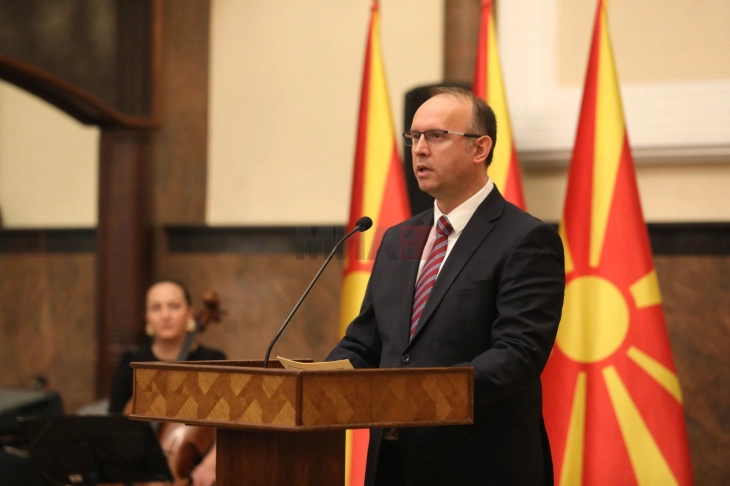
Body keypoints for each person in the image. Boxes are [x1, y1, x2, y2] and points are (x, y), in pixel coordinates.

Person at [326, 87, 565, 485]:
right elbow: (366, 343)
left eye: (436, 136)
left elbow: (518, 354)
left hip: (478, 465)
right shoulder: (399, 238)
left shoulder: (524, 239)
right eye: (414, 136)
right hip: (393, 465)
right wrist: (314, 384)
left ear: (480, 148)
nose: (420, 149)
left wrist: (416, 396)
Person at [108, 279, 226, 486]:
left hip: (193, 474)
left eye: (174, 306)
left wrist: (209, 465)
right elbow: (113, 425)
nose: (165, 315)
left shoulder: (212, 360)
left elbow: (227, 427)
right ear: (147, 318)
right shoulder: (131, 362)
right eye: (156, 308)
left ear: (189, 314)